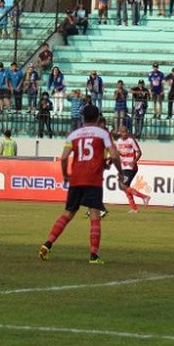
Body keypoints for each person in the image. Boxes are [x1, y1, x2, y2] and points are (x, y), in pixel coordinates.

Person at [39, 105, 126, 264]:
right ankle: (93, 255)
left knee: (67, 214)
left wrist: (65, 175)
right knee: (94, 216)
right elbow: (114, 154)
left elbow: (64, 157)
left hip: (76, 179)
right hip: (93, 180)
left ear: (83, 118)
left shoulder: (74, 134)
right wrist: (120, 172)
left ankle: (47, 244)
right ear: (98, 118)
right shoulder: (102, 133)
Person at [115, 125, 151, 213]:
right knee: (125, 187)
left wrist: (134, 161)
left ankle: (144, 197)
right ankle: (134, 209)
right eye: (122, 132)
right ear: (119, 132)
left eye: (125, 132)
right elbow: (120, 152)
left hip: (131, 167)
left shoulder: (131, 140)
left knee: (123, 186)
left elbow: (139, 152)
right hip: (123, 167)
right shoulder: (119, 141)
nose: (124, 134)